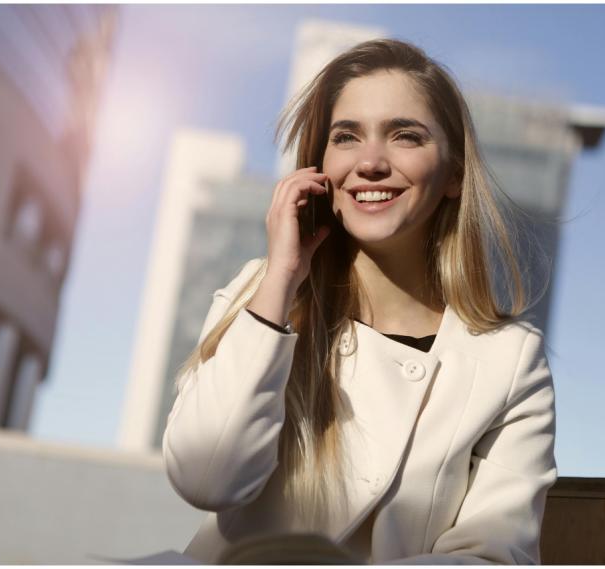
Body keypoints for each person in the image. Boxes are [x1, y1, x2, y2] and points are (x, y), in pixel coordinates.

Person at [162, 38, 556, 564]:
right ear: (320, 166)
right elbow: (205, 479)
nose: (370, 162)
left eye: (405, 136)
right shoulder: (265, 295)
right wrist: (281, 276)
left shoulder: (508, 361)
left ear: (455, 175)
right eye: (346, 137)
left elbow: (491, 556)